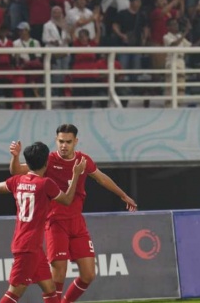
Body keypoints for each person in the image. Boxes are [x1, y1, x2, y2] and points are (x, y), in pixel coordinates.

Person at [9, 124, 137, 303]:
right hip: (55, 221)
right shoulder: (49, 160)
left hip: (77, 222)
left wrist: (123, 195)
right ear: (56, 140)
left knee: (88, 275)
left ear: (75, 142)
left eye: (68, 142)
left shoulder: (83, 160)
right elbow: (16, 171)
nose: (64, 145)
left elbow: (101, 178)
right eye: (61, 141)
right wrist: (15, 157)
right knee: (58, 274)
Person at [0, 142, 87, 303]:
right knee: (14, 293)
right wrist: (76, 175)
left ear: (28, 162)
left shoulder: (17, 181)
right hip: (28, 248)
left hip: (31, 246)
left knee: (50, 289)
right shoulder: (45, 184)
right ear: (47, 162)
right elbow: (67, 200)